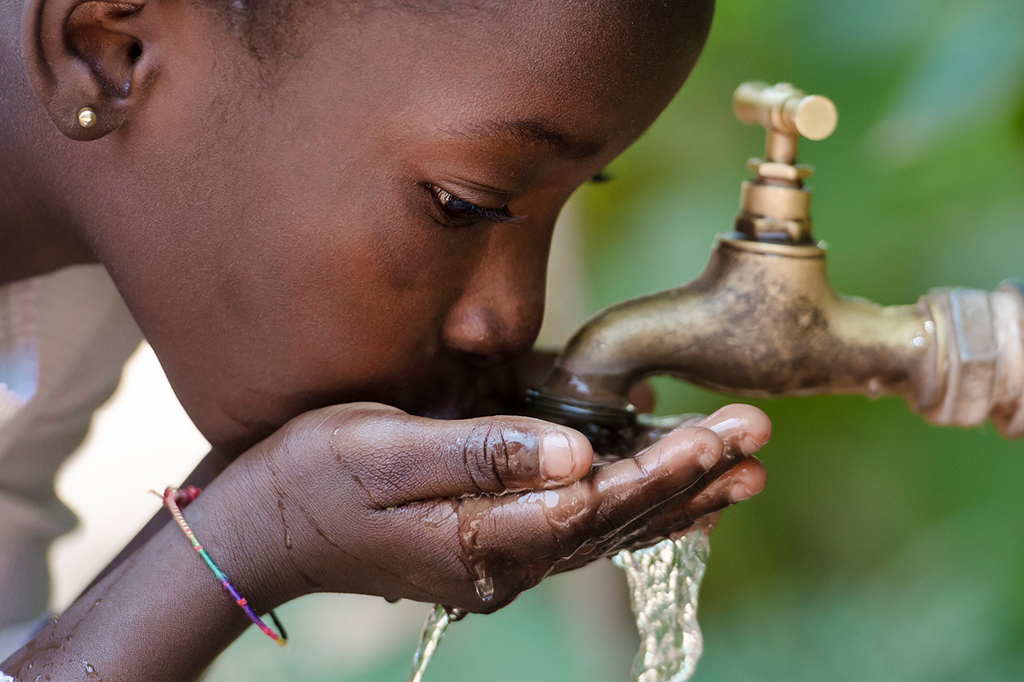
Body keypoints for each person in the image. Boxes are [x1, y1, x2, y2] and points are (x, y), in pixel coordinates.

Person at [0, 0, 771, 679]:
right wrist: (254, 537)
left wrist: (252, 500)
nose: (512, 321)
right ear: (110, 49)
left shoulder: (73, 272)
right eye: (463, 206)